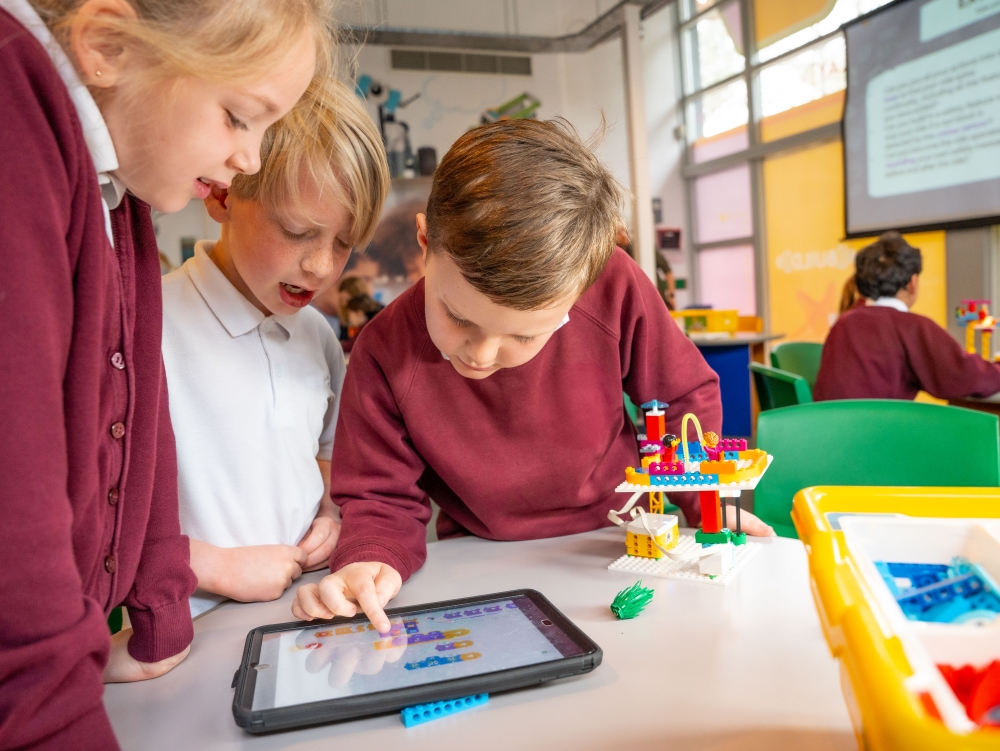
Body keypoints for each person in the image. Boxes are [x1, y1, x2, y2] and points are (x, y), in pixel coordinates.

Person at [290, 119, 774, 633]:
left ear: (580, 291)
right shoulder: (384, 350)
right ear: (426, 243)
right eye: (459, 318)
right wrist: (372, 557)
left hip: (621, 538)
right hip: (482, 559)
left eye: (523, 336)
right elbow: (380, 496)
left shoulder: (613, 285)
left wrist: (705, 505)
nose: (482, 354)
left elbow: (682, 396)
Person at [0, 0, 330, 746]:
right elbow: (12, 494)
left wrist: (158, 612)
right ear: (109, 45)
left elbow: (139, 414)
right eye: (239, 117)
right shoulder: (13, 110)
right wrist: (57, 708)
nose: (250, 157)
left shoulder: (123, 186)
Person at [161, 77, 389, 617]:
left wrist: (331, 518)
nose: (321, 267)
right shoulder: (152, 324)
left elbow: (329, 457)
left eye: (343, 244)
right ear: (222, 194)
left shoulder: (316, 336)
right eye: (296, 231)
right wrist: (214, 566)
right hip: (189, 625)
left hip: (308, 608)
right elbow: (102, 519)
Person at [814, 232, 1000, 401]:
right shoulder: (911, 327)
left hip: (831, 432)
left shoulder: (845, 322)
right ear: (913, 282)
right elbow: (963, 375)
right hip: (882, 432)